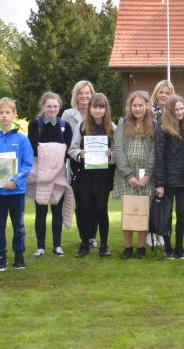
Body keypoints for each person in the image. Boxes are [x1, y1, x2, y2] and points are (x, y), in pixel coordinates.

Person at [0, 97, 34, 271]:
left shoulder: (22, 139)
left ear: (14, 115)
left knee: (18, 225)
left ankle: (19, 256)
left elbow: (27, 164)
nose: (4, 116)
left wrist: (15, 181)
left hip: (16, 191)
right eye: (1, 112)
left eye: (7, 112)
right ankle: (1, 257)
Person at [68, 93, 116, 258]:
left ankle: (104, 245)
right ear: (90, 108)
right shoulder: (81, 126)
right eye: (94, 107)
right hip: (85, 176)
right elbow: (72, 149)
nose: (97, 110)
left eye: (101, 107)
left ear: (105, 109)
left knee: (102, 210)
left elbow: (118, 152)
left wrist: (111, 154)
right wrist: (80, 153)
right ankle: (84, 243)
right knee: (85, 210)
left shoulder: (113, 128)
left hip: (103, 176)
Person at [28, 92, 73, 258]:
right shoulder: (35, 124)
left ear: (59, 107)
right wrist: (55, 151)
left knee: (57, 210)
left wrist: (50, 152)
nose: (52, 109)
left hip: (58, 175)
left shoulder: (64, 125)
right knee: (40, 211)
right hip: (41, 175)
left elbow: (67, 151)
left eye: (55, 106)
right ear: (43, 106)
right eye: (49, 106)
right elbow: (33, 148)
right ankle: (40, 247)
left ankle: (57, 245)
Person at [113, 91, 155, 259]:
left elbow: (154, 151)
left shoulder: (153, 124)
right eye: (134, 105)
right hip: (126, 174)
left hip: (146, 175)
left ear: (146, 106)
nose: (138, 108)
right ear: (130, 107)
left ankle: (141, 247)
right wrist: (128, 175)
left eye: (141, 105)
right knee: (129, 211)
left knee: (143, 211)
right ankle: (128, 247)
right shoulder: (123, 123)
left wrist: (148, 174)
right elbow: (118, 149)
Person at [154, 95, 184, 260]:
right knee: (166, 215)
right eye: (176, 109)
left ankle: (179, 247)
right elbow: (159, 157)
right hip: (168, 181)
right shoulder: (162, 129)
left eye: (182, 108)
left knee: (182, 213)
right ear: (170, 111)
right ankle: (168, 248)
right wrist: (160, 184)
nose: (180, 112)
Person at [61, 80, 99, 248]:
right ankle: (84, 236)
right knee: (81, 202)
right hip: (76, 162)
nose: (84, 96)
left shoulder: (98, 111)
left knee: (95, 201)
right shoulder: (68, 114)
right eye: (81, 93)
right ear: (75, 96)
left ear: (92, 94)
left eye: (88, 92)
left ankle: (92, 236)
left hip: (97, 163)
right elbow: (64, 140)